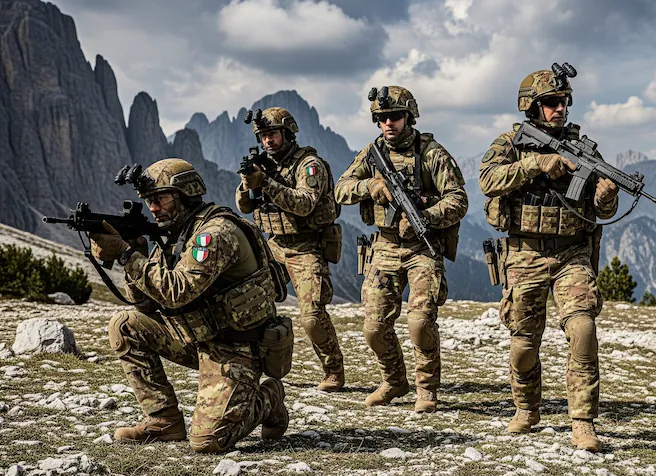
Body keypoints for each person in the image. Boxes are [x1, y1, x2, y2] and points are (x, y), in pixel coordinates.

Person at [90, 158, 289, 453]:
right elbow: (144, 304)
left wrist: (125, 256)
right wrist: (138, 253)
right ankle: (163, 420)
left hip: (238, 349)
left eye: (160, 199)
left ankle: (268, 398)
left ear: (184, 194)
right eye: (149, 201)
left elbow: (176, 292)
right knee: (125, 325)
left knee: (208, 442)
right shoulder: (176, 235)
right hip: (198, 338)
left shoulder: (215, 234)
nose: (153, 208)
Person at [478, 65, 619, 451]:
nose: (559, 109)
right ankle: (527, 409)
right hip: (525, 253)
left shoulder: (583, 148)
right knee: (523, 344)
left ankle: (583, 421)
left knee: (583, 331)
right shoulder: (511, 143)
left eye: (563, 102)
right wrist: (536, 164)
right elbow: (486, 180)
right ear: (532, 107)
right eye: (550, 103)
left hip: (571, 252)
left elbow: (601, 209)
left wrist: (606, 197)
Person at [334, 86, 468, 413]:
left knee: (420, 322)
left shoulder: (432, 153)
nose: (388, 124)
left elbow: (459, 199)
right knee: (374, 326)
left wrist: (426, 216)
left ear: (409, 117)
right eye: (381, 119)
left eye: (394, 117)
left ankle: (427, 389)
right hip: (385, 246)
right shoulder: (372, 153)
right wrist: (372, 186)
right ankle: (394, 380)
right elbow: (341, 189)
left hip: (423, 246)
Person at [236, 107, 346, 391]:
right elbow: (245, 207)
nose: (268, 141)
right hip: (272, 245)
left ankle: (333, 371)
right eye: (263, 136)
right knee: (247, 305)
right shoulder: (262, 164)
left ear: (287, 133)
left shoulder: (309, 165)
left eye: (272, 134)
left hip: (306, 245)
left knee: (312, 316)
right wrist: (247, 186)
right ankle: (253, 368)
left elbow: (305, 204)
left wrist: (267, 184)